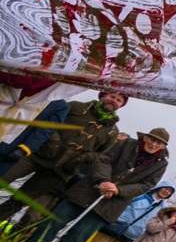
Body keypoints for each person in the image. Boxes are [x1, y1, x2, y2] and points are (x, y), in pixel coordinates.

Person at [0, 92, 126, 227]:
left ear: (121, 105)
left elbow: (102, 155)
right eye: (112, 97)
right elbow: (51, 122)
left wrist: (85, 157)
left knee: (19, 200)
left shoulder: (113, 132)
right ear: (102, 96)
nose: (114, 101)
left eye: (119, 100)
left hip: (62, 170)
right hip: (37, 155)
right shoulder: (75, 107)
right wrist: (54, 141)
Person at [40, 128, 170, 242]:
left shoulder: (161, 164)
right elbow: (104, 159)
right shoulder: (126, 144)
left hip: (109, 207)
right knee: (53, 223)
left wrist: (118, 190)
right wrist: (104, 181)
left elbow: (147, 185)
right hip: (85, 192)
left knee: (76, 237)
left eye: (159, 143)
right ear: (145, 137)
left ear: (163, 146)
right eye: (152, 139)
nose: (153, 144)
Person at [66, 180, 176, 242]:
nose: (167, 191)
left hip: (129, 237)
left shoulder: (164, 209)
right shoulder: (140, 194)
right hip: (113, 227)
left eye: (170, 191)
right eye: (166, 188)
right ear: (160, 187)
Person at [0, 98, 69, 175]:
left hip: (10, 148)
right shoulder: (23, 91)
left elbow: (44, 131)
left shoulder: (60, 106)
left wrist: (26, 148)